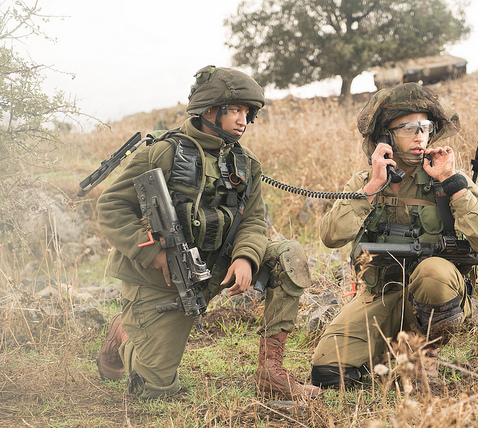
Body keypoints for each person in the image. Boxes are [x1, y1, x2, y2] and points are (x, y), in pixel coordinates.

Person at [95, 65, 321, 400]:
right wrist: (153, 253)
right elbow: (111, 206)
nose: (243, 120)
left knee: (288, 255)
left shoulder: (246, 164)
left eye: (248, 113)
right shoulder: (163, 151)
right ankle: (123, 335)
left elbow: (255, 220)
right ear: (209, 110)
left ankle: (271, 374)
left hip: (214, 267)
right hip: (161, 279)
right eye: (235, 110)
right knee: (155, 389)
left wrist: (246, 258)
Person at [309, 83, 478, 387]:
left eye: (425, 127)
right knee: (327, 370)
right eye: (408, 128)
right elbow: (331, 235)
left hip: (435, 295)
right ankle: (389, 354)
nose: (419, 136)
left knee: (432, 274)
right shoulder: (367, 181)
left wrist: (453, 184)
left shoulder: (448, 180)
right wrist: (372, 188)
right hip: (382, 295)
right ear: (385, 136)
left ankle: (426, 351)